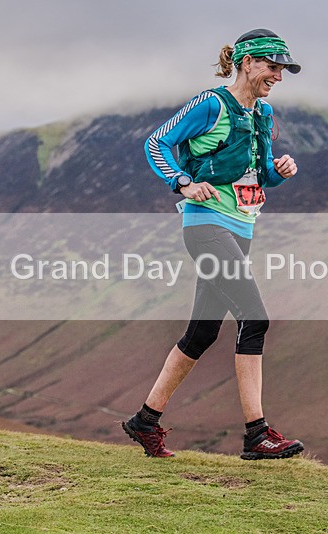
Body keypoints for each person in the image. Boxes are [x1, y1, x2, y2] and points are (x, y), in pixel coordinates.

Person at [122, 28, 304, 460]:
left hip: (241, 230)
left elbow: (256, 176)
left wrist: (279, 170)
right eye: (272, 66)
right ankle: (256, 435)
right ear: (246, 62)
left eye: (282, 69)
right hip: (205, 227)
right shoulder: (211, 104)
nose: (278, 75)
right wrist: (182, 182)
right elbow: (156, 142)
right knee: (254, 318)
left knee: (202, 332)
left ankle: (145, 422)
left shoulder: (263, 113)